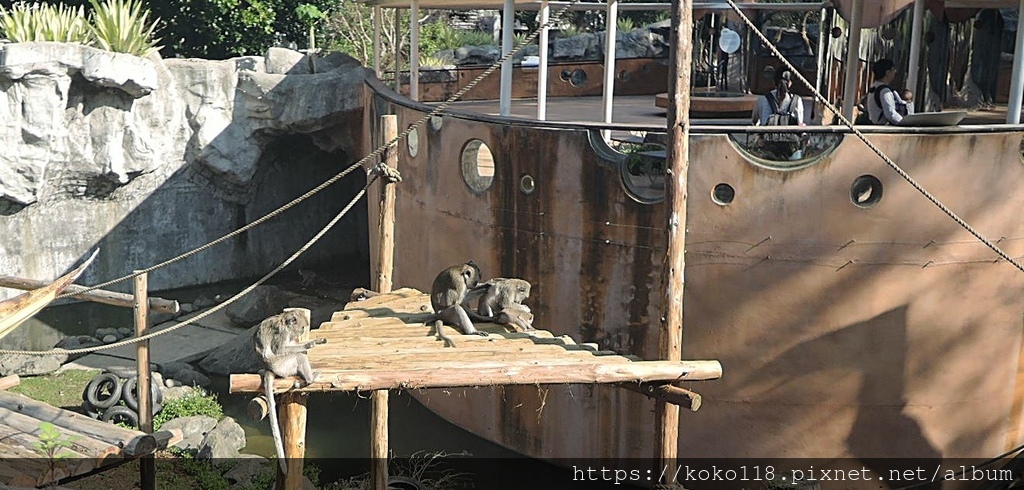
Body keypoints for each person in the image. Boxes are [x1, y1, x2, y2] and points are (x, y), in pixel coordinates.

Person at [751, 69, 806, 159]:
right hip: (791, 147)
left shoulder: (762, 99)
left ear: (774, 82)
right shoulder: (797, 100)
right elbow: (800, 123)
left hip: (768, 147)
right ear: (790, 83)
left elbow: (754, 121)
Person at [866, 59, 910, 125]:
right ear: (887, 73)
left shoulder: (874, 88)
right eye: (893, 69)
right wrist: (905, 123)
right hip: (882, 128)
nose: (895, 72)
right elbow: (890, 114)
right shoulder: (884, 91)